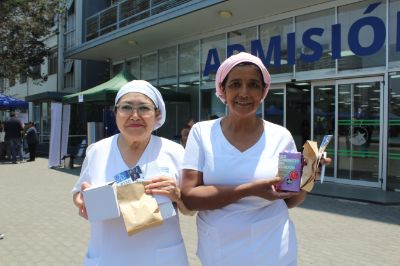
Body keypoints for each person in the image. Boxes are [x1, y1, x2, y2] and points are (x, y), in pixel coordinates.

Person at [181, 52, 331, 266]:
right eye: (235, 84)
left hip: (273, 249)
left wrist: (308, 179)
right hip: (220, 252)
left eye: (253, 84)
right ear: (222, 90)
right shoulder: (202, 133)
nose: (244, 92)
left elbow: (289, 200)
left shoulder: (281, 136)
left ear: (263, 92)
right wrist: (250, 190)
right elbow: (189, 198)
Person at [72, 80, 191, 266]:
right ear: (115, 113)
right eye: (126, 107)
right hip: (107, 256)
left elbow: (190, 210)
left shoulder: (175, 152)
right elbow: (78, 193)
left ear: (156, 113)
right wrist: (81, 200)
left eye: (144, 108)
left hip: (161, 258)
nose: (135, 116)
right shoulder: (97, 151)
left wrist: (177, 196)